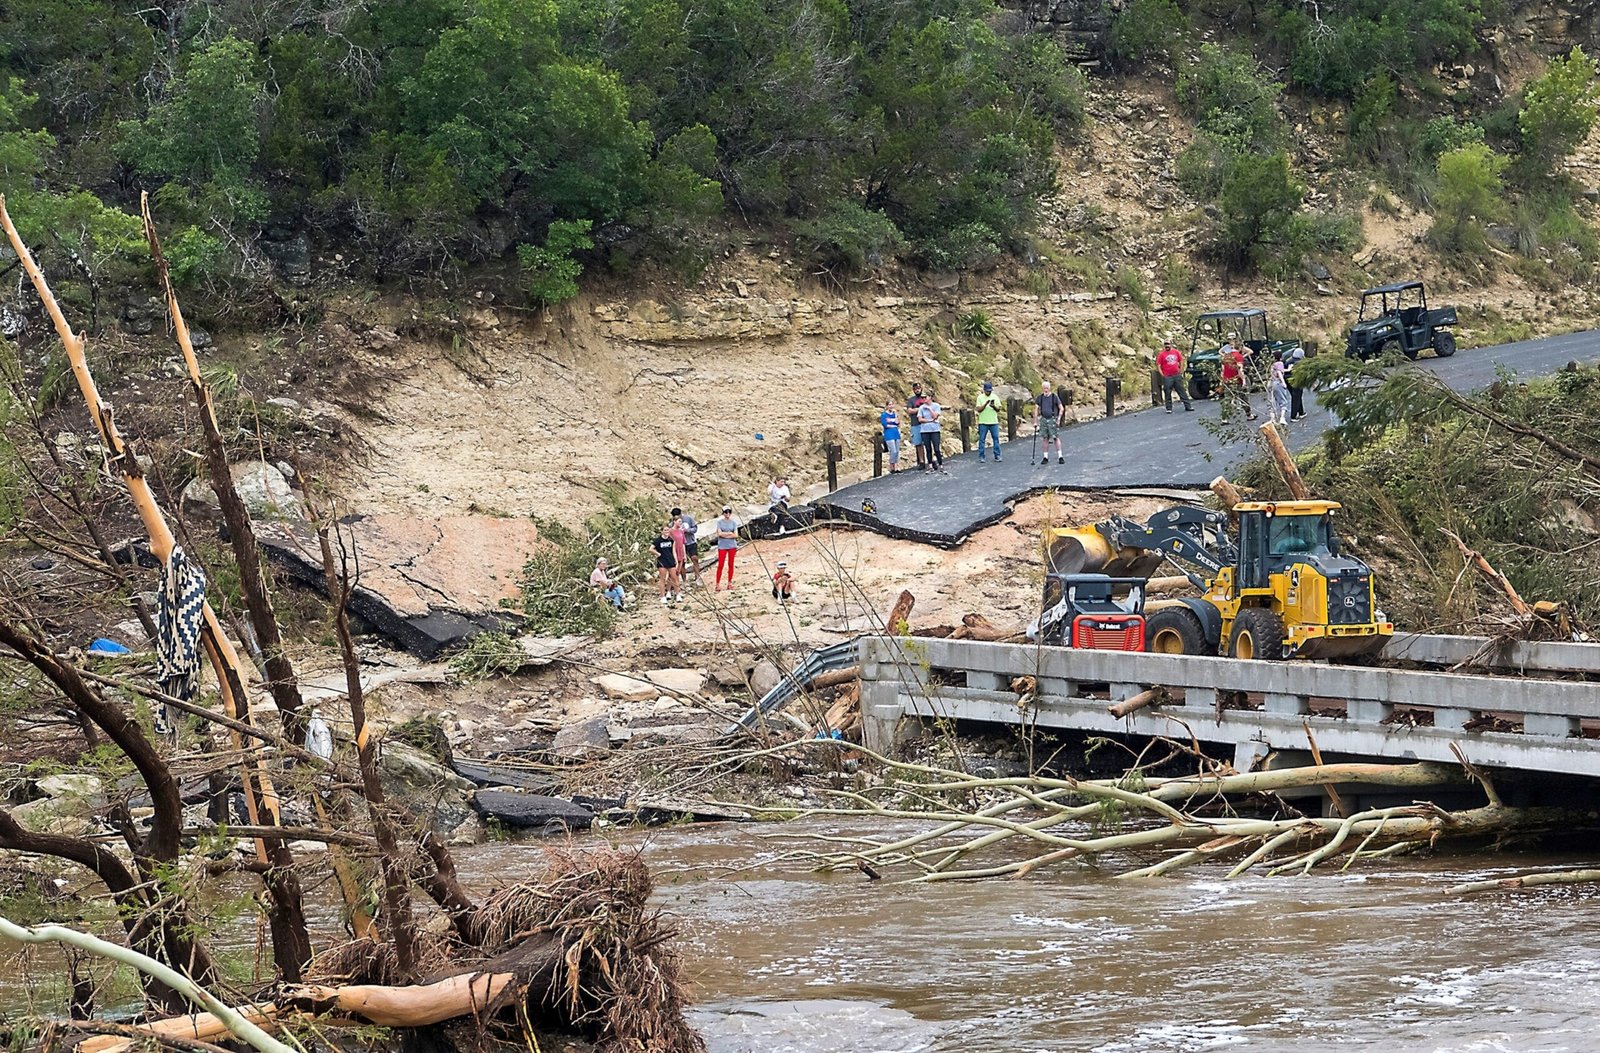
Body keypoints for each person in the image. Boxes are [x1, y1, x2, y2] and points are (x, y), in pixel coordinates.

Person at [1219, 334, 1257, 422]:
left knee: (1227, 399)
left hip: (1227, 380)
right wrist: (1243, 380)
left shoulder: (1226, 356)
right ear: (1239, 348)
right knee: (1243, 397)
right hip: (1237, 380)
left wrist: (1222, 380)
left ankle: (1224, 418)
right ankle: (1249, 415)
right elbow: (1240, 369)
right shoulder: (1238, 356)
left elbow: (1222, 370)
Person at [1155, 340, 1193, 413]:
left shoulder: (1176, 352)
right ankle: (1169, 408)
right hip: (1167, 376)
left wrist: (1181, 370)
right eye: (1165, 344)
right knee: (1167, 392)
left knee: (1181, 390)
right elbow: (1158, 365)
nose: (1167, 345)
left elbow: (1181, 361)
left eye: (1168, 344)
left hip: (1176, 375)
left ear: (1171, 344)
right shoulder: (1162, 354)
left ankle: (1188, 406)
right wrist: (1162, 374)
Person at [1034, 381, 1066, 464]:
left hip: (1052, 419)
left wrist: (1058, 418)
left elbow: (1061, 408)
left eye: (1047, 388)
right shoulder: (1040, 398)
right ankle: (1045, 457)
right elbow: (1036, 410)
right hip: (1043, 419)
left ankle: (1060, 456)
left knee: (1055, 437)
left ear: (1049, 388)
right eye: (1044, 388)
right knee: (1045, 438)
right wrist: (1035, 421)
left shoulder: (1054, 397)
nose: (1046, 390)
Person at [713, 505, 739, 590]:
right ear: (723, 513)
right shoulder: (720, 522)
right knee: (721, 564)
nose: (727, 514)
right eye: (726, 512)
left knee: (731, 564)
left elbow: (736, 535)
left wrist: (725, 534)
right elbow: (719, 534)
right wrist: (729, 534)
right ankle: (717, 583)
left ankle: (730, 582)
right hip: (722, 546)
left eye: (729, 512)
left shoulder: (733, 522)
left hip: (732, 545)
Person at [975, 381, 1002, 461]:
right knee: (982, 440)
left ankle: (997, 455)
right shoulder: (980, 398)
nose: (989, 392)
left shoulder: (995, 397)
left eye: (990, 391)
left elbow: (999, 409)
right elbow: (978, 409)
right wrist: (985, 404)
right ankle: (981, 456)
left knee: (996, 439)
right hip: (983, 422)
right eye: (987, 391)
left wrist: (993, 406)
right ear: (984, 390)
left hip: (993, 422)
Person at [917, 394, 944, 471]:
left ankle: (940, 464)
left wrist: (929, 408)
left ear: (930, 397)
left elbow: (935, 416)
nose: (924, 399)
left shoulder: (936, 406)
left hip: (935, 430)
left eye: (925, 397)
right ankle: (930, 465)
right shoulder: (921, 408)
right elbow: (920, 419)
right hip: (925, 430)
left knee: (936, 448)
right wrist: (929, 420)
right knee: (928, 448)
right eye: (922, 398)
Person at [652, 525, 678, 604]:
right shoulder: (658, 540)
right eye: (665, 530)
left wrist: (676, 560)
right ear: (662, 531)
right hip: (662, 562)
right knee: (662, 579)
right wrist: (657, 553)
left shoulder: (671, 540)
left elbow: (673, 551)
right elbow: (651, 548)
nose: (667, 531)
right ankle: (662, 596)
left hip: (670, 561)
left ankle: (677, 594)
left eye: (668, 530)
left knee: (674, 578)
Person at [906, 383, 930, 469]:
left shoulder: (925, 398)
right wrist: (920, 409)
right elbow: (910, 411)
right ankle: (921, 461)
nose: (917, 390)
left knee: (927, 442)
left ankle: (930, 460)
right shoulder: (911, 400)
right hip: (916, 424)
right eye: (915, 388)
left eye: (919, 388)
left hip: (926, 423)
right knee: (918, 443)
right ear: (913, 390)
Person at [668, 509, 688, 598]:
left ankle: (677, 590)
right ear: (674, 521)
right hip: (674, 552)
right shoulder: (671, 532)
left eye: (681, 521)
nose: (680, 523)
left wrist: (684, 554)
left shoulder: (681, 531)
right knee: (672, 573)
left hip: (680, 552)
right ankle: (669, 590)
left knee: (678, 572)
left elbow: (683, 543)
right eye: (679, 521)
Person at [1268, 350, 1292, 426]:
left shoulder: (1272, 364)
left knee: (1272, 401)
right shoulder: (1280, 363)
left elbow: (1277, 371)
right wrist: (1283, 383)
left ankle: (1272, 419)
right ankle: (1282, 418)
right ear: (1280, 357)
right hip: (1277, 383)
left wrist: (1288, 369)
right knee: (1283, 401)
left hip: (1271, 383)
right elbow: (1279, 372)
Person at [1284, 344, 1308, 421]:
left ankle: (1301, 412)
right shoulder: (1300, 362)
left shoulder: (1288, 361)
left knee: (1296, 396)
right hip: (1296, 381)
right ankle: (1293, 416)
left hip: (1287, 381)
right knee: (1296, 397)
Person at [880, 401, 902, 473]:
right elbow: (885, 425)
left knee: (897, 451)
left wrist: (895, 418)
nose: (891, 406)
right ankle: (891, 465)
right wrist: (893, 424)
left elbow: (897, 423)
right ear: (886, 406)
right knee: (893, 450)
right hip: (889, 434)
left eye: (892, 404)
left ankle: (896, 466)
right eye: (889, 405)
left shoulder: (894, 414)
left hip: (896, 433)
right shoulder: (884, 415)